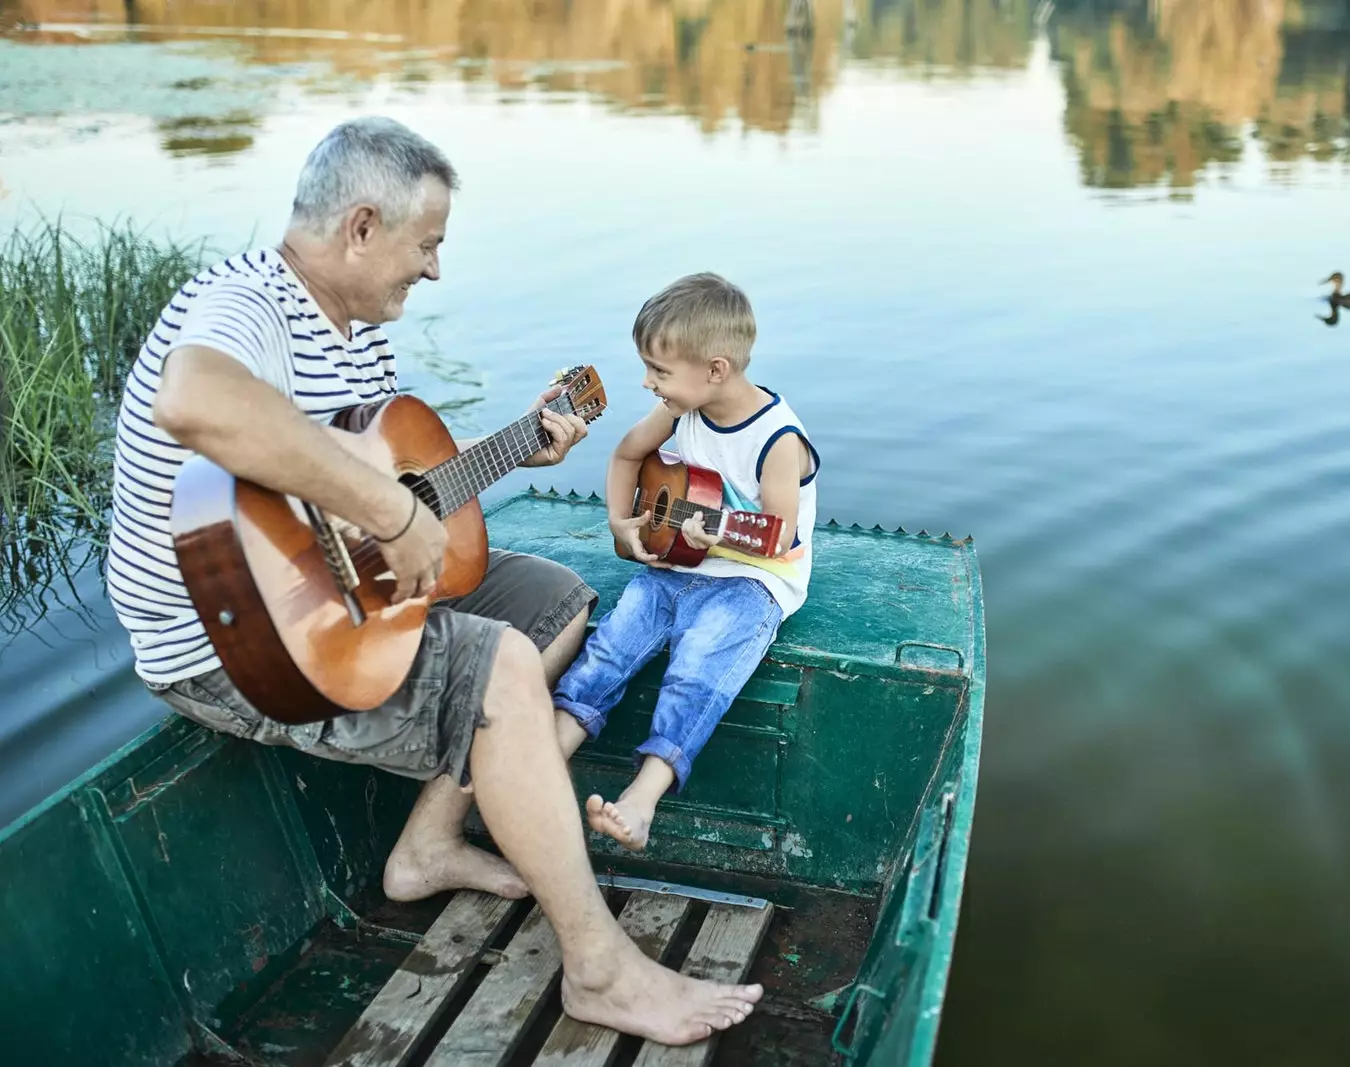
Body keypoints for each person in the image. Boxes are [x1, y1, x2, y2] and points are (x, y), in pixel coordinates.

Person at [106, 117, 761, 1044]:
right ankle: (602, 971)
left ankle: (425, 847)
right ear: (362, 227)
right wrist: (390, 511)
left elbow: (395, 478)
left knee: (555, 601)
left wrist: (498, 459)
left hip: (333, 602)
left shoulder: (356, 332)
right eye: (429, 244)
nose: (436, 269)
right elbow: (197, 398)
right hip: (241, 647)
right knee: (495, 664)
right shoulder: (245, 302)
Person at [552, 272, 820, 852]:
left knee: (696, 671)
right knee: (608, 649)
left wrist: (718, 537)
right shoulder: (680, 411)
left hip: (752, 580)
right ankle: (541, 768)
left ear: (716, 369)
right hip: (674, 566)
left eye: (660, 372)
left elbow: (776, 536)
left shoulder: (778, 439)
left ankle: (641, 800)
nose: (649, 383)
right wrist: (622, 526)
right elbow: (627, 454)